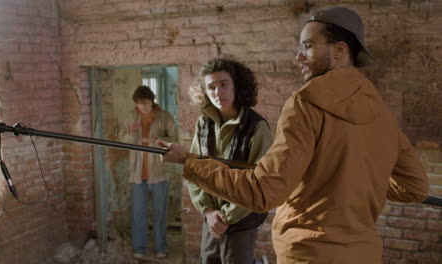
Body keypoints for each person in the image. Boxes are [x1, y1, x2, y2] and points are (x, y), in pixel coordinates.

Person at [158, 7, 429, 264]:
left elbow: (263, 192)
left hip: (309, 254)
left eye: (308, 46)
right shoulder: (381, 112)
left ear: (339, 51)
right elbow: (415, 187)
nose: (298, 56)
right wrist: (353, 181)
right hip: (364, 253)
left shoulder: (306, 104)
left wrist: (190, 163)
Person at [185, 57, 273, 264]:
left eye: (224, 84)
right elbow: (193, 170)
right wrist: (208, 211)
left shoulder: (256, 127)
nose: (218, 93)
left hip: (241, 219)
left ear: (237, 85)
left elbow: (259, 181)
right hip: (211, 218)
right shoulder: (204, 123)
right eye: (211, 87)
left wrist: (225, 217)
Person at [119, 85, 178, 259]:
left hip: (158, 172)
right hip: (137, 172)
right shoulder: (131, 116)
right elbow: (121, 136)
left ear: (152, 100)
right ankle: (139, 247)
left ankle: (161, 248)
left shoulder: (164, 117)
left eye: (145, 103)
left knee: (160, 212)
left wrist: (156, 140)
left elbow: (174, 140)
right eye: (138, 103)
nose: (142, 107)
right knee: (138, 213)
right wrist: (132, 135)